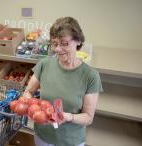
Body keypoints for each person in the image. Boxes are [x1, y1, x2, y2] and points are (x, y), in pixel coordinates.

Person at [23, 17, 103, 146]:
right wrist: (31, 107)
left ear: (78, 41)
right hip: (42, 135)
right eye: (55, 44)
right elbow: (28, 92)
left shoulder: (91, 76)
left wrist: (68, 117)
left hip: (70, 141)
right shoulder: (44, 65)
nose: (58, 49)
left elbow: (88, 117)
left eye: (64, 43)